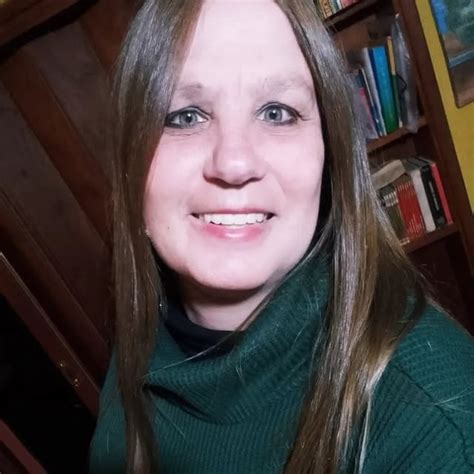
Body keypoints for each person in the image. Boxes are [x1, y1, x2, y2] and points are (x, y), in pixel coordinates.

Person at [88, 0, 474, 472]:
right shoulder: (143, 327)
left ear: (330, 151)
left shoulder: (441, 432)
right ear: (131, 164)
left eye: (277, 112)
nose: (234, 163)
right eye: (185, 116)